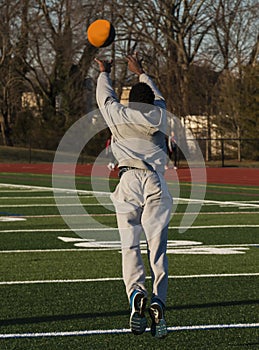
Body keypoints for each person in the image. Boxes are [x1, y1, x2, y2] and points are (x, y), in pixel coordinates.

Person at [95, 53, 172, 338]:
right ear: (151, 100)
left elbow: (105, 97)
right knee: (158, 249)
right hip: (155, 182)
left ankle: (135, 296)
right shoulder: (160, 114)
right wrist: (141, 71)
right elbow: (160, 97)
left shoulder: (118, 113)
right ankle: (158, 299)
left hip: (128, 180)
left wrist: (105, 71)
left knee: (130, 245)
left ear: (130, 101)